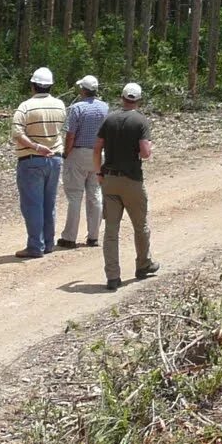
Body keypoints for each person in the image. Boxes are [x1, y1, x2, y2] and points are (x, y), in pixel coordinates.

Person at [95, 82, 158, 291]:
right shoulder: (141, 121)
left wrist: (98, 173)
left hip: (109, 180)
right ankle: (143, 264)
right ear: (138, 100)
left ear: (122, 98)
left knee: (111, 231)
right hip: (132, 180)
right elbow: (146, 153)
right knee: (140, 226)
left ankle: (112, 276)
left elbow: (97, 149)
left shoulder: (109, 119)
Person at [10, 67, 65, 259]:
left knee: (32, 204)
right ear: (50, 85)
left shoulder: (25, 106)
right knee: (48, 203)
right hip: (55, 159)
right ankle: (48, 243)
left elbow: (17, 133)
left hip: (32, 160)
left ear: (33, 85)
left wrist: (35, 146)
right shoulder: (60, 105)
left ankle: (35, 246)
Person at [58, 75, 107, 249]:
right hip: (98, 154)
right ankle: (93, 236)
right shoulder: (105, 108)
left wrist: (66, 152)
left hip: (78, 152)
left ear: (83, 90)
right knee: (95, 194)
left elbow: (70, 134)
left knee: (74, 196)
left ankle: (70, 237)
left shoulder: (77, 108)